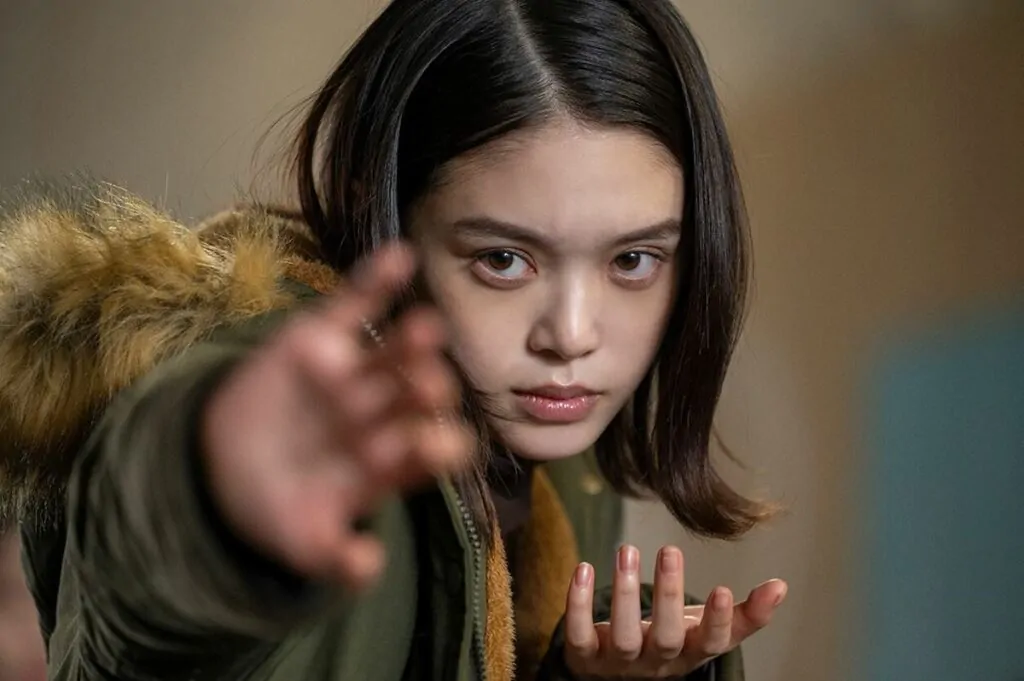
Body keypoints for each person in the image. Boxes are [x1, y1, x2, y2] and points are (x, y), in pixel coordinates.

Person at [0, 0, 788, 679]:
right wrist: (206, 493)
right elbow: (141, 565)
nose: (572, 336)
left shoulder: (561, 461)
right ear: (377, 209)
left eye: (633, 260)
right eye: (503, 259)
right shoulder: (280, 379)